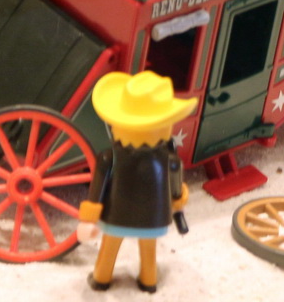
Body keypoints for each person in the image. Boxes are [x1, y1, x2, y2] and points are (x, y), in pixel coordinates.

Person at [78, 70, 197, 293]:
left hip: (116, 214)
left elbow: (97, 190)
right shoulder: (170, 160)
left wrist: (89, 217)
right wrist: (178, 201)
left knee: (109, 246)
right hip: (153, 217)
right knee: (149, 249)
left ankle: (101, 278)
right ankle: (148, 280)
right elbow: (175, 190)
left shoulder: (108, 158)